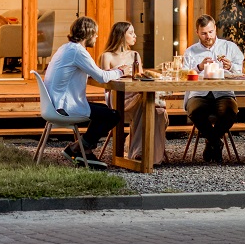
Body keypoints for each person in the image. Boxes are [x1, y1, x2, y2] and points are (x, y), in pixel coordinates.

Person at [44, 16, 124, 169]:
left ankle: (83, 149)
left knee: (105, 111)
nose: (97, 37)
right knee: (113, 115)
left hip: (54, 104)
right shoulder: (78, 52)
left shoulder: (65, 48)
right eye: (95, 33)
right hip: (64, 107)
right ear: (88, 33)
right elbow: (101, 77)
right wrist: (120, 71)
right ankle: (79, 148)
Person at [99, 21, 169, 164]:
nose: (135, 36)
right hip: (119, 98)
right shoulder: (107, 56)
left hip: (137, 94)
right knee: (153, 107)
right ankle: (142, 153)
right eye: (131, 33)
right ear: (120, 35)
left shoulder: (135, 55)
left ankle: (143, 155)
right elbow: (105, 83)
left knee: (157, 112)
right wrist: (119, 72)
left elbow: (141, 79)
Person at [182, 14, 244, 163]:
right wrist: (198, 67)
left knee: (230, 111)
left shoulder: (229, 47)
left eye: (210, 32)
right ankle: (216, 142)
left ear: (215, 29)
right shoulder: (191, 51)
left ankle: (211, 141)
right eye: (203, 33)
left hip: (223, 93)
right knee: (195, 111)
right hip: (199, 94)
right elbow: (182, 75)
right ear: (197, 32)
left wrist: (232, 67)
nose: (208, 36)